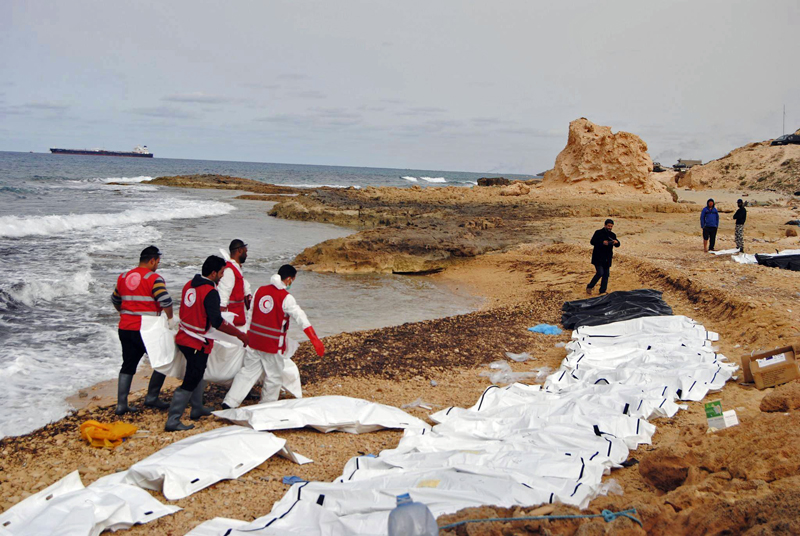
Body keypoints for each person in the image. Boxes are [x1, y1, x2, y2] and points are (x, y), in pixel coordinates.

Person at [222, 264, 325, 410]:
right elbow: (301, 318)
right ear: (289, 279)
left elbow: (250, 314)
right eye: (292, 281)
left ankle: (230, 402)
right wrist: (315, 340)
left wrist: (247, 334)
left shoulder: (260, 290)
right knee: (274, 376)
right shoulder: (286, 298)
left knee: (247, 372)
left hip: (254, 341)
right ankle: (267, 405)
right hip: (272, 344)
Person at [167, 255, 249, 431]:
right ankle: (173, 420)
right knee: (191, 378)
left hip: (183, 336)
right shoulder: (211, 292)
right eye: (220, 273)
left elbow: (188, 310)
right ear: (213, 273)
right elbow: (217, 321)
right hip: (196, 341)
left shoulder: (189, 285)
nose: (221, 277)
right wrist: (240, 335)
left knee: (199, 372)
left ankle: (197, 408)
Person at [111, 246, 174, 415]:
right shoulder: (154, 278)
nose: (157, 266)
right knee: (161, 361)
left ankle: (121, 404)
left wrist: (123, 312)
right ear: (152, 260)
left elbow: (115, 299)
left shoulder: (123, 277)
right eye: (157, 262)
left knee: (128, 365)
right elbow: (166, 301)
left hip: (125, 327)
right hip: (147, 329)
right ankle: (152, 397)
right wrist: (170, 319)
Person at [218, 239, 252, 327]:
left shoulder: (236, 269)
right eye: (245, 251)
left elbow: (245, 293)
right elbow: (223, 298)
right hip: (231, 324)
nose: (246, 255)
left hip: (238, 321)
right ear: (240, 250)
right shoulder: (229, 271)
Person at [586, 219, 620, 295]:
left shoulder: (612, 235)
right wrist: (602, 242)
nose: (610, 227)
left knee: (606, 275)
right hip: (598, 257)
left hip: (607, 258)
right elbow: (592, 242)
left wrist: (616, 242)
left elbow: (618, 244)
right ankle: (589, 287)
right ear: (605, 225)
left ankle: (602, 291)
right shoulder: (598, 232)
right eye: (608, 226)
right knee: (600, 273)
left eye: (611, 226)